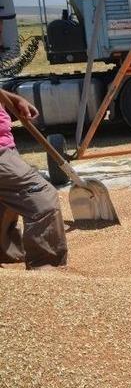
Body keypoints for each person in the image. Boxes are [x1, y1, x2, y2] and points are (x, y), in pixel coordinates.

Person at [0, 89, 68, 270]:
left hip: (5, 146)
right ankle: (45, 267)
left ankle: (6, 255)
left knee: (7, 201)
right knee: (42, 199)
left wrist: (14, 99)